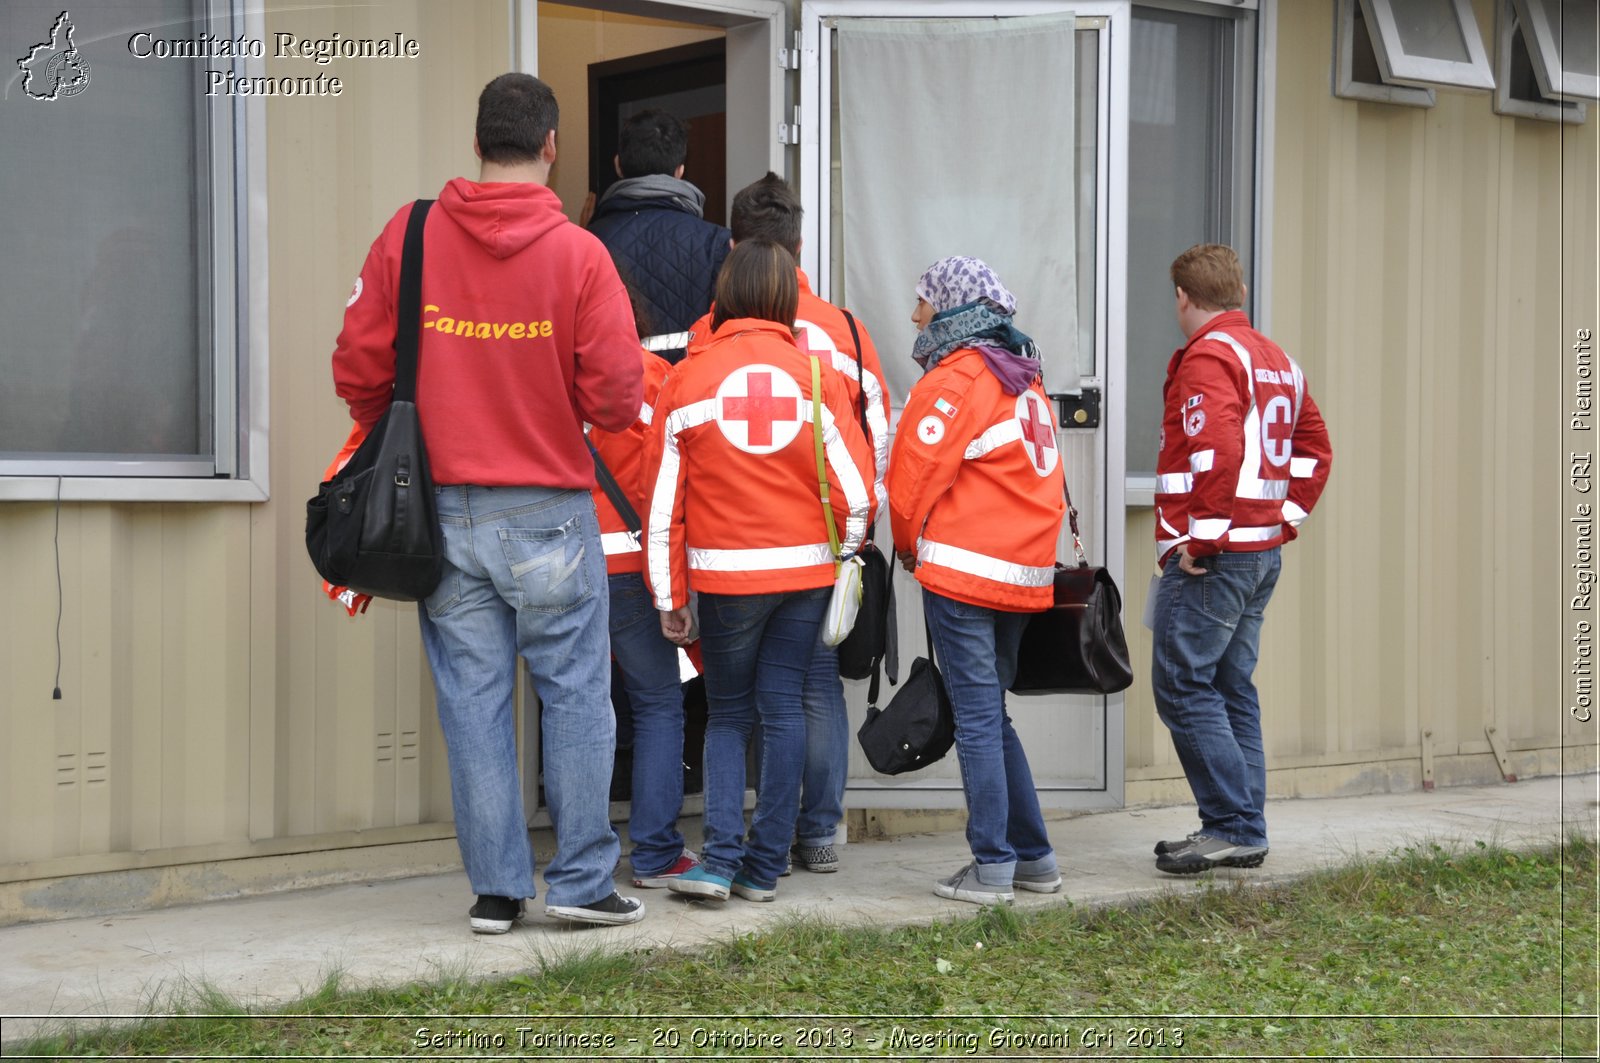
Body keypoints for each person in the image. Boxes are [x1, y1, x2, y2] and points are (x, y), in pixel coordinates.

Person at [332, 73, 646, 933]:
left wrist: (392, 433)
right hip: (547, 507)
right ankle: (581, 882)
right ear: (550, 147)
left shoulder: (415, 231)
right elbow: (619, 396)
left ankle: (497, 891)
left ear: (478, 144)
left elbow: (357, 366)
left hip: (437, 512)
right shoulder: (582, 255)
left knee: (472, 700)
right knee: (576, 693)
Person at [643, 240, 875, 903]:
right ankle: (766, 866)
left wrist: (668, 592)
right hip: (805, 578)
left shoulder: (687, 378)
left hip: (724, 584)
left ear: (723, 296)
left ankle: (719, 860)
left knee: (727, 716)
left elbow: (662, 502)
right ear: (783, 299)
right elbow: (857, 497)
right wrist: (845, 553)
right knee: (783, 708)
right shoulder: (818, 379)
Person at [687, 172, 891, 873]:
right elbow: (877, 440)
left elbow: (690, 451)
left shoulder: (706, 334)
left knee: (738, 703)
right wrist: (852, 536)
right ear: (799, 245)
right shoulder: (848, 332)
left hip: (736, 552)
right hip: (821, 547)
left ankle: (739, 845)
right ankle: (818, 831)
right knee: (812, 687)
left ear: (734, 247)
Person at [1148, 243, 1332, 874]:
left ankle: (1230, 825)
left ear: (1182, 297)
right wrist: (1284, 518)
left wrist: (1201, 537)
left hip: (1214, 557)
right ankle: (1244, 827)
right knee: (1230, 685)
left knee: (1181, 684)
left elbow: (1217, 452)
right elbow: (1316, 448)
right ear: (1239, 294)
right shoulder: (1275, 357)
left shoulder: (1208, 357)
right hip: (1258, 552)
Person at [886, 256, 1064, 906]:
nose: (914, 316)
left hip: (966, 574)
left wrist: (908, 549)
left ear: (954, 309)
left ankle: (993, 864)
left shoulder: (959, 378)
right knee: (992, 713)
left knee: (979, 719)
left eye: (923, 303)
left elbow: (908, 485)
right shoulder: (1024, 375)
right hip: (1021, 575)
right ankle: (1035, 858)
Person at [587, 295, 700, 890]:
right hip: (633, 563)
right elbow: (677, 477)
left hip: (561, 561)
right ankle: (655, 855)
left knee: (574, 709)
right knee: (658, 705)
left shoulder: (549, 377)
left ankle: (582, 856)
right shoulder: (656, 376)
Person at [587, 109, 731, 362]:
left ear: (618, 165)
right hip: (690, 398)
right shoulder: (717, 244)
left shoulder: (587, 243)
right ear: (680, 170)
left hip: (617, 399)